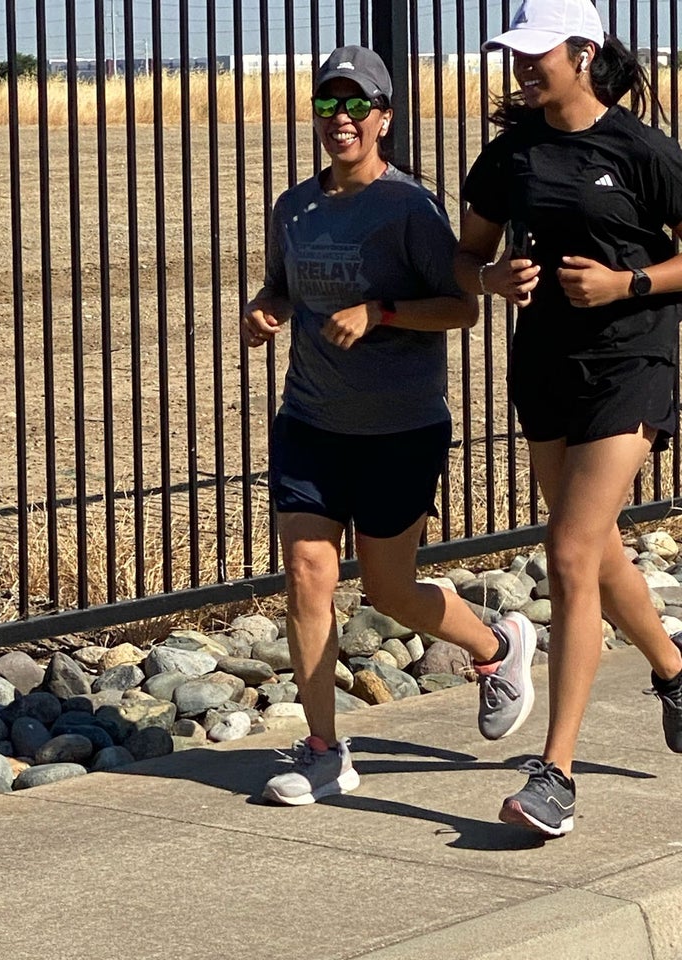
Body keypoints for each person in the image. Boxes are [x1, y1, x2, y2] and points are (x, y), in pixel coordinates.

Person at [242, 44, 538, 806]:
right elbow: (282, 287)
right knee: (307, 574)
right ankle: (322, 751)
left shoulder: (410, 207)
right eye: (327, 103)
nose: (339, 118)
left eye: (356, 104)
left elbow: (463, 307)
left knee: (389, 588)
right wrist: (266, 311)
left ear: (384, 117)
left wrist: (379, 313)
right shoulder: (294, 208)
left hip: (400, 428)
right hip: (310, 420)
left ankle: (497, 645)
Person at [455, 0, 682, 837]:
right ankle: (675, 671)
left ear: (583, 53)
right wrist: (490, 281)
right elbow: (466, 252)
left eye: (537, 52)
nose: (522, 67)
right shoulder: (510, 154)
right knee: (593, 546)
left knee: (571, 550)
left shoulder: (642, 150)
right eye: (514, 53)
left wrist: (629, 284)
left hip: (632, 361)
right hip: (545, 367)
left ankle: (556, 774)